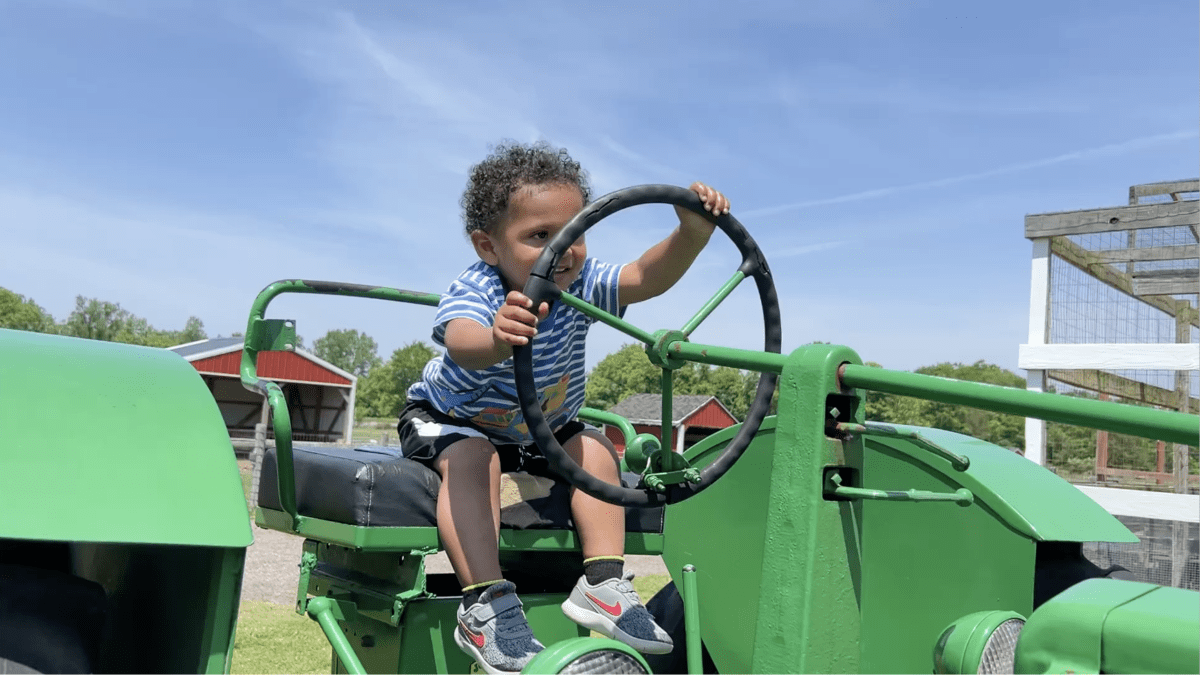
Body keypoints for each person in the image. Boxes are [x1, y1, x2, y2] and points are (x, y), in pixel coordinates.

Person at [399, 140, 729, 674]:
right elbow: (460, 338)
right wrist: (496, 338)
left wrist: (691, 235)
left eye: (573, 233)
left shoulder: (582, 283)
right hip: (454, 419)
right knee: (473, 457)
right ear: (488, 246)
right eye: (538, 237)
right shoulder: (479, 287)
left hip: (540, 430)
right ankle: (484, 604)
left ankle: (603, 582)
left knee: (596, 450)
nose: (563, 250)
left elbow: (646, 276)